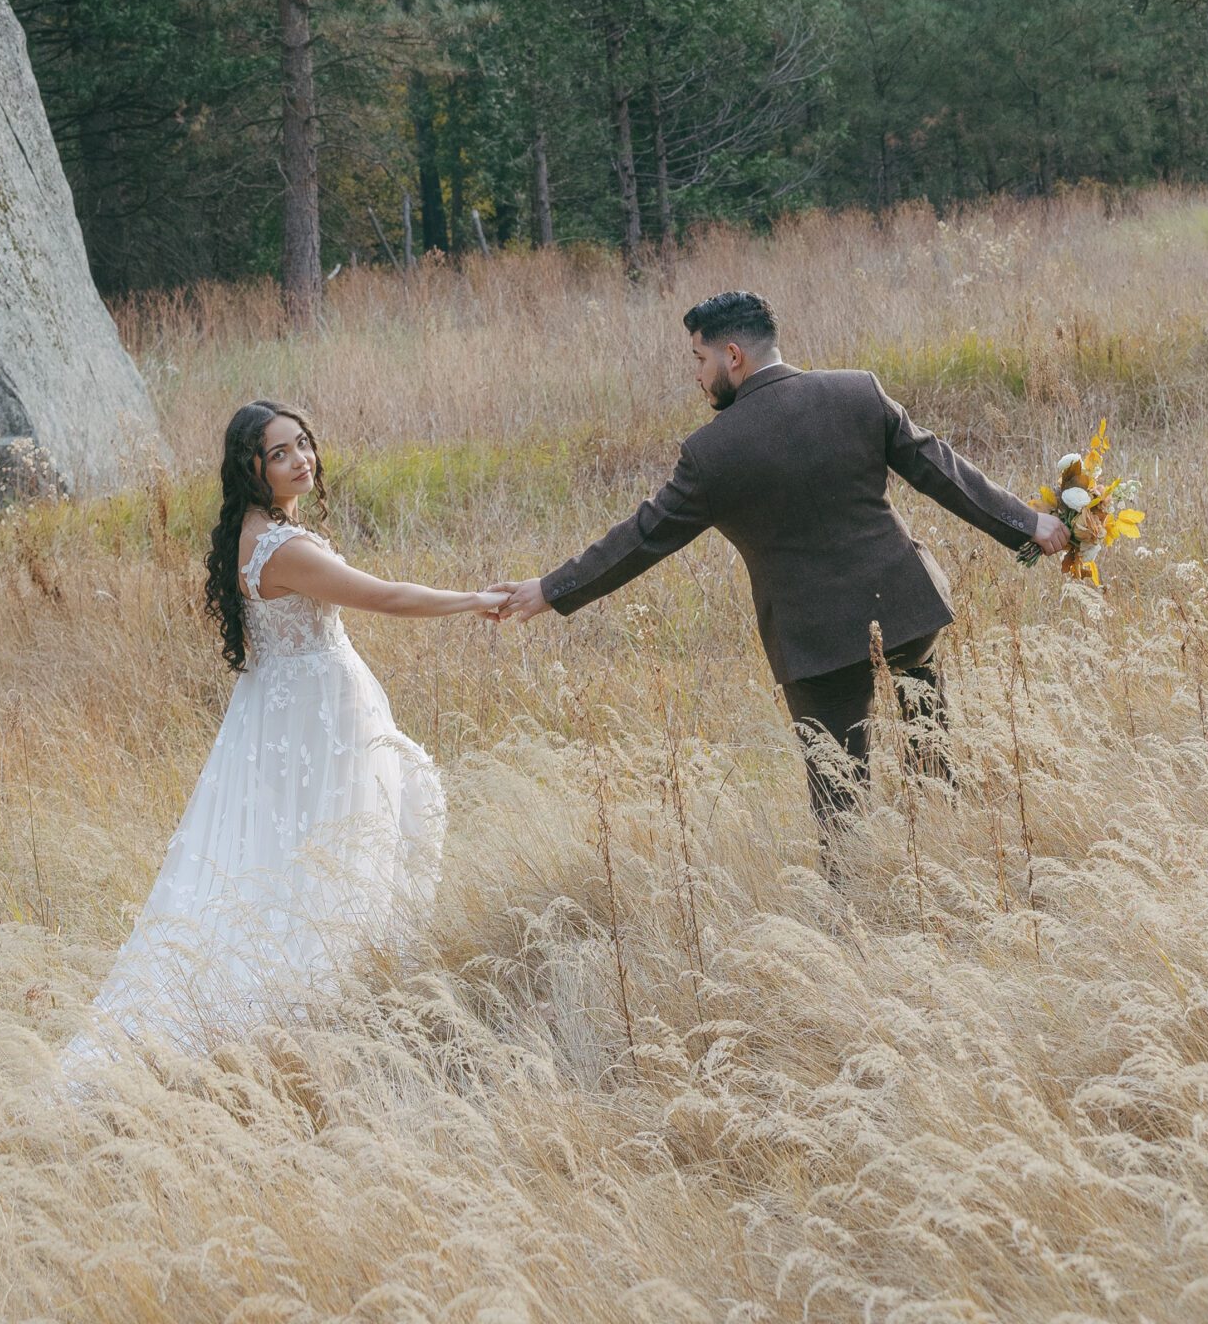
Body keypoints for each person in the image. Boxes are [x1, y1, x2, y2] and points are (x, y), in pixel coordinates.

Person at [495, 290, 1064, 856]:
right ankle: (953, 869)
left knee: (839, 802)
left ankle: (851, 914)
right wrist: (1029, 525)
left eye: (699, 359)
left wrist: (549, 590)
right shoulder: (856, 391)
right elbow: (942, 471)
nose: (697, 375)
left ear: (733, 355)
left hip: (816, 646)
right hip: (907, 611)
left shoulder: (711, 453)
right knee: (932, 756)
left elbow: (641, 538)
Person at [61, 400, 505, 1087]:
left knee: (292, 854)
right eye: (279, 453)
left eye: (303, 445)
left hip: (287, 711)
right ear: (252, 468)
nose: (301, 460)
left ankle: (335, 1008)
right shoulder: (284, 547)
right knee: (323, 853)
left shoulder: (260, 529)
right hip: (312, 714)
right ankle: (298, 1015)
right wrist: (473, 599)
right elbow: (383, 598)